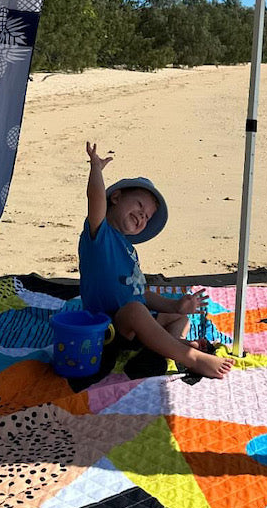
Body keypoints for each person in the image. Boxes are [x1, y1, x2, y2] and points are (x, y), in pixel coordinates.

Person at [80, 141, 233, 380]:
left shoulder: (128, 248)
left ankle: (168, 346)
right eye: (139, 205)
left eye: (147, 216)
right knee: (134, 311)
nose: (143, 215)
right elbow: (96, 199)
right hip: (106, 329)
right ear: (116, 197)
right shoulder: (100, 234)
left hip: (133, 329)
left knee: (178, 317)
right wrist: (96, 170)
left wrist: (175, 306)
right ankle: (191, 357)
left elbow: (138, 292)